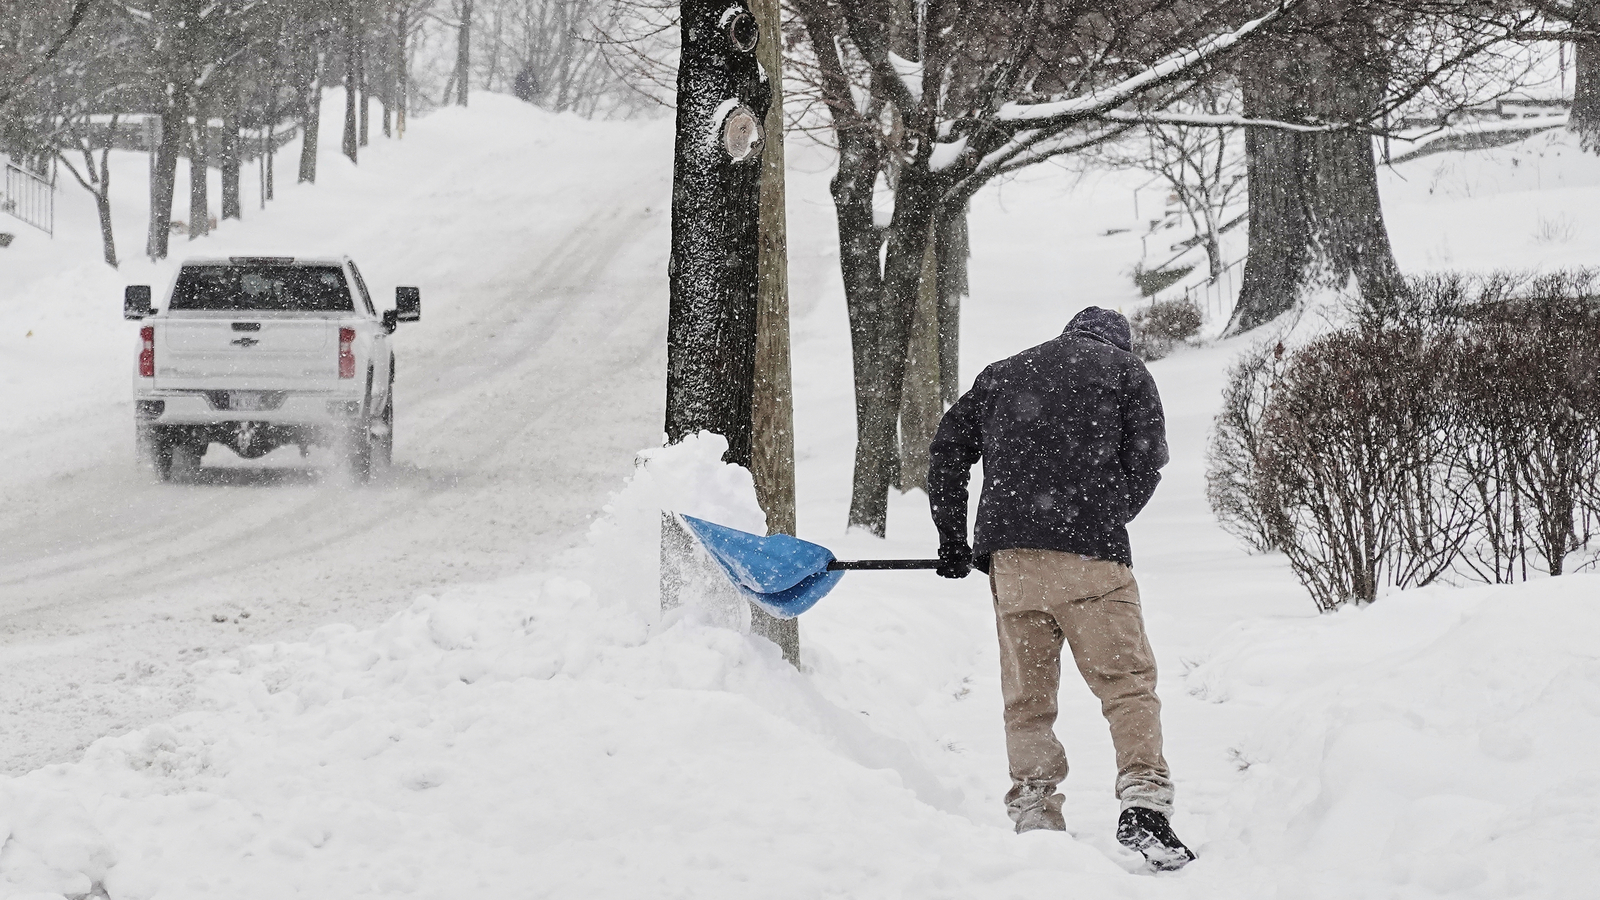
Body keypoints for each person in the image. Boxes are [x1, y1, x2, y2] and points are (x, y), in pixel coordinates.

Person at [926, 306, 1195, 871]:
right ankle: (1144, 800)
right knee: (1126, 685)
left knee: (1027, 701)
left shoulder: (1002, 373)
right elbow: (1146, 461)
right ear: (1118, 343)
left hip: (1013, 563)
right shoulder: (1126, 371)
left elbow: (947, 450)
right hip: (1091, 556)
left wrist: (953, 538)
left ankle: (1035, 814)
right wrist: (1107, 514)